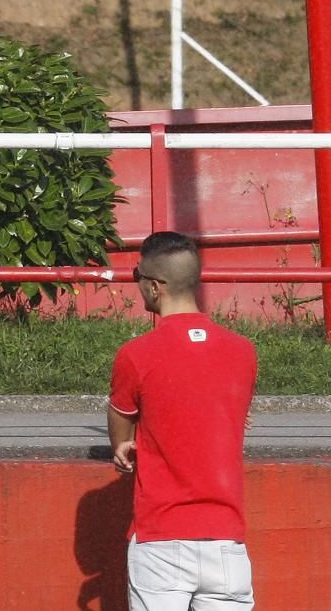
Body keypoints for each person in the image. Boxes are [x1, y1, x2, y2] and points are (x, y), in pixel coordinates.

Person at [107, 231, 257, 610]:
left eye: (137, 278)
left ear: (155, 287)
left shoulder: (136, 355)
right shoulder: (243, 352)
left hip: (161, 538)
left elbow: (121, 421)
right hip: (227, 540)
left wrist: (122, 447)